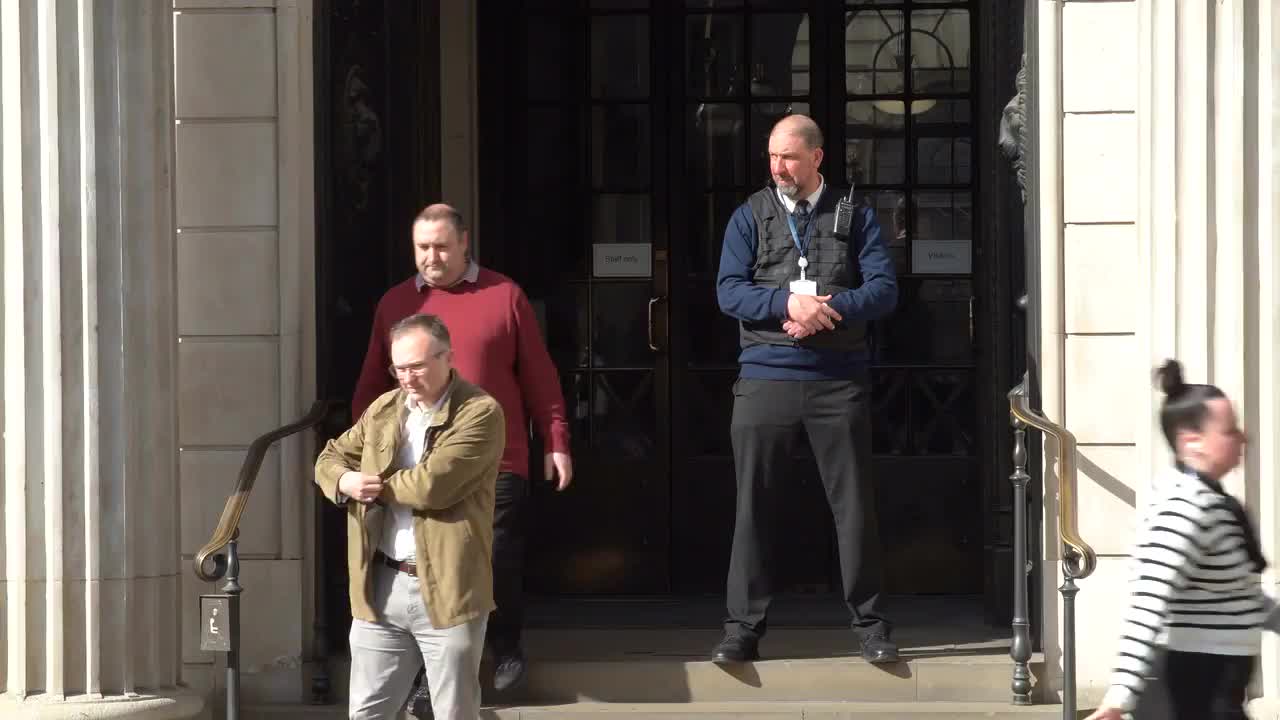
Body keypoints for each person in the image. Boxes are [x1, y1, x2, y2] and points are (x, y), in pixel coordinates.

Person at [352, 203, 572, 697]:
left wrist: (555, 439)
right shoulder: (395, 303)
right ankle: (428, 682)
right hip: (417, 465)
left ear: (464, 243)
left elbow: (539, 375)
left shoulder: (504, 295)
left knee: (495, 558)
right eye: (422, 248)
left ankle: (506, 646)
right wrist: (361, 451)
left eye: (441, 247)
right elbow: (371, 384)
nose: (431, 257)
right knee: (430, 563)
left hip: (497, 458)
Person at [712, 114, 899, 664]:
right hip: (764, 380)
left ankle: (871, 627)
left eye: (789, 157)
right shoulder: (749, 215)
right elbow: (728, 291)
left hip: (836, 383)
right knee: (754, 508)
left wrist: (828, 310)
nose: (778, 168)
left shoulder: (855, 214)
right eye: (773, 157)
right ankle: (742, 630)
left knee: (853, 508)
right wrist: (787, 304)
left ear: (817, 158)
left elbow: (884, 290)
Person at [315, 314, 506, 720]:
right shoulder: (385, 408)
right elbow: (329, 457)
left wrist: (373, 484)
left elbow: (433, 486)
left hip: (449, 586)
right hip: (381, 585)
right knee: (367, 713)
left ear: (447, 357)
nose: (406, 378)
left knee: (453, 711)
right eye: (399, 368)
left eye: (416, 366)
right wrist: (345, 479)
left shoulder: (480, 412)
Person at [1087, 359, 1269, 720]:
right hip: (1191, 691)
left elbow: (1236, 595)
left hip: (1215, 688)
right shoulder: (1182, 506)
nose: (1243, 438)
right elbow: (1148, 601)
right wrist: (1118, 697)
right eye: (1229, 431)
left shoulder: (1209, 501)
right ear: (1192, 442)